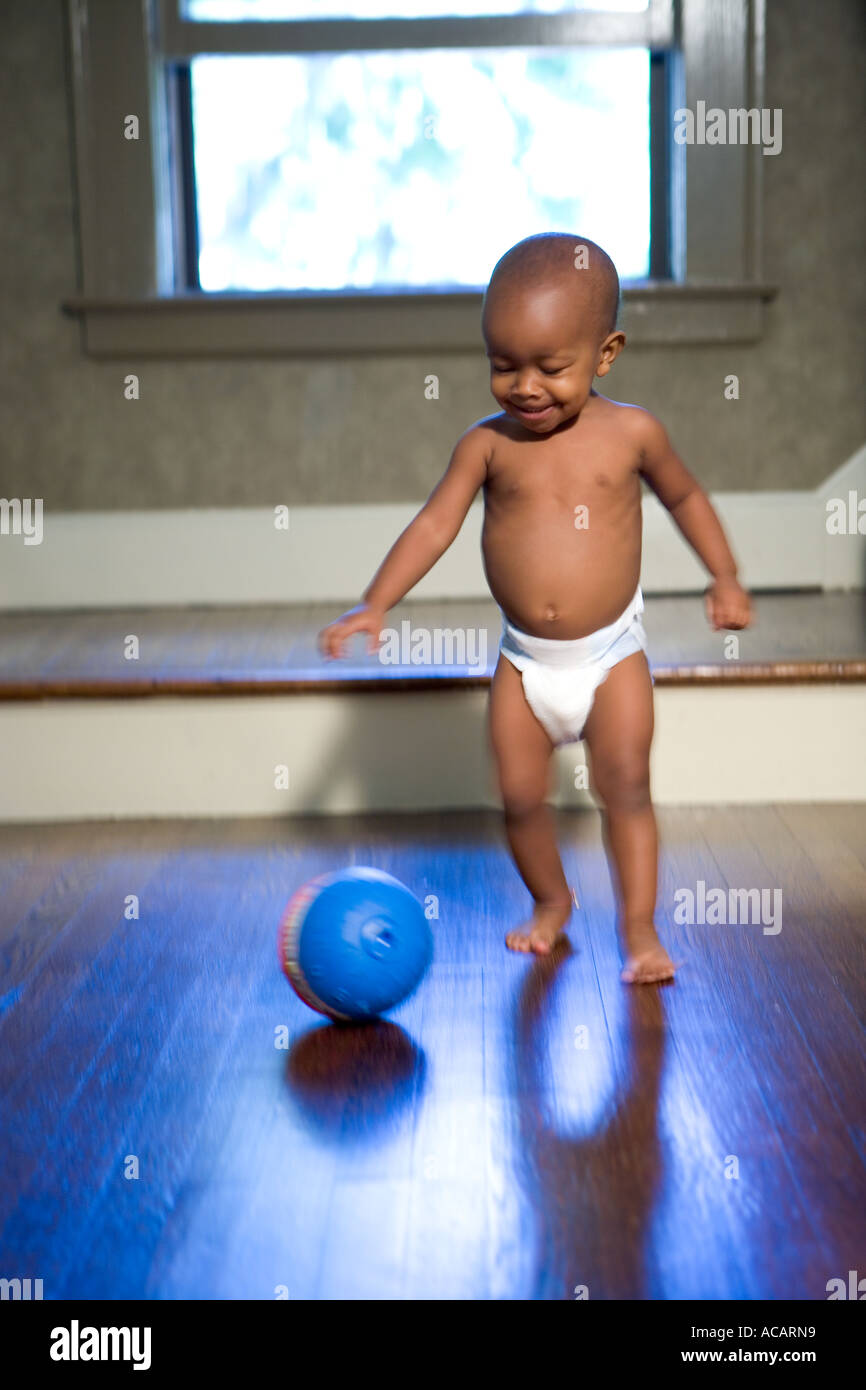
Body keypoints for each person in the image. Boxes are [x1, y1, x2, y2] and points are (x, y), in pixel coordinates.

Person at [318, 233, 752, 983]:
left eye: (552, 368)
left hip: (612, 658)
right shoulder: (486, 447)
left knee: (627, 793)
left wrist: (726, 576)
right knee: (519, 798)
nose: (525, 386)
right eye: (503, 364)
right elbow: (434, 525)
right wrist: (375, 604)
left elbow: (684, 496)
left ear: (606, 353)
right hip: (524, 664)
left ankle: (641, 933)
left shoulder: (633, 433)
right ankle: (551, 903)